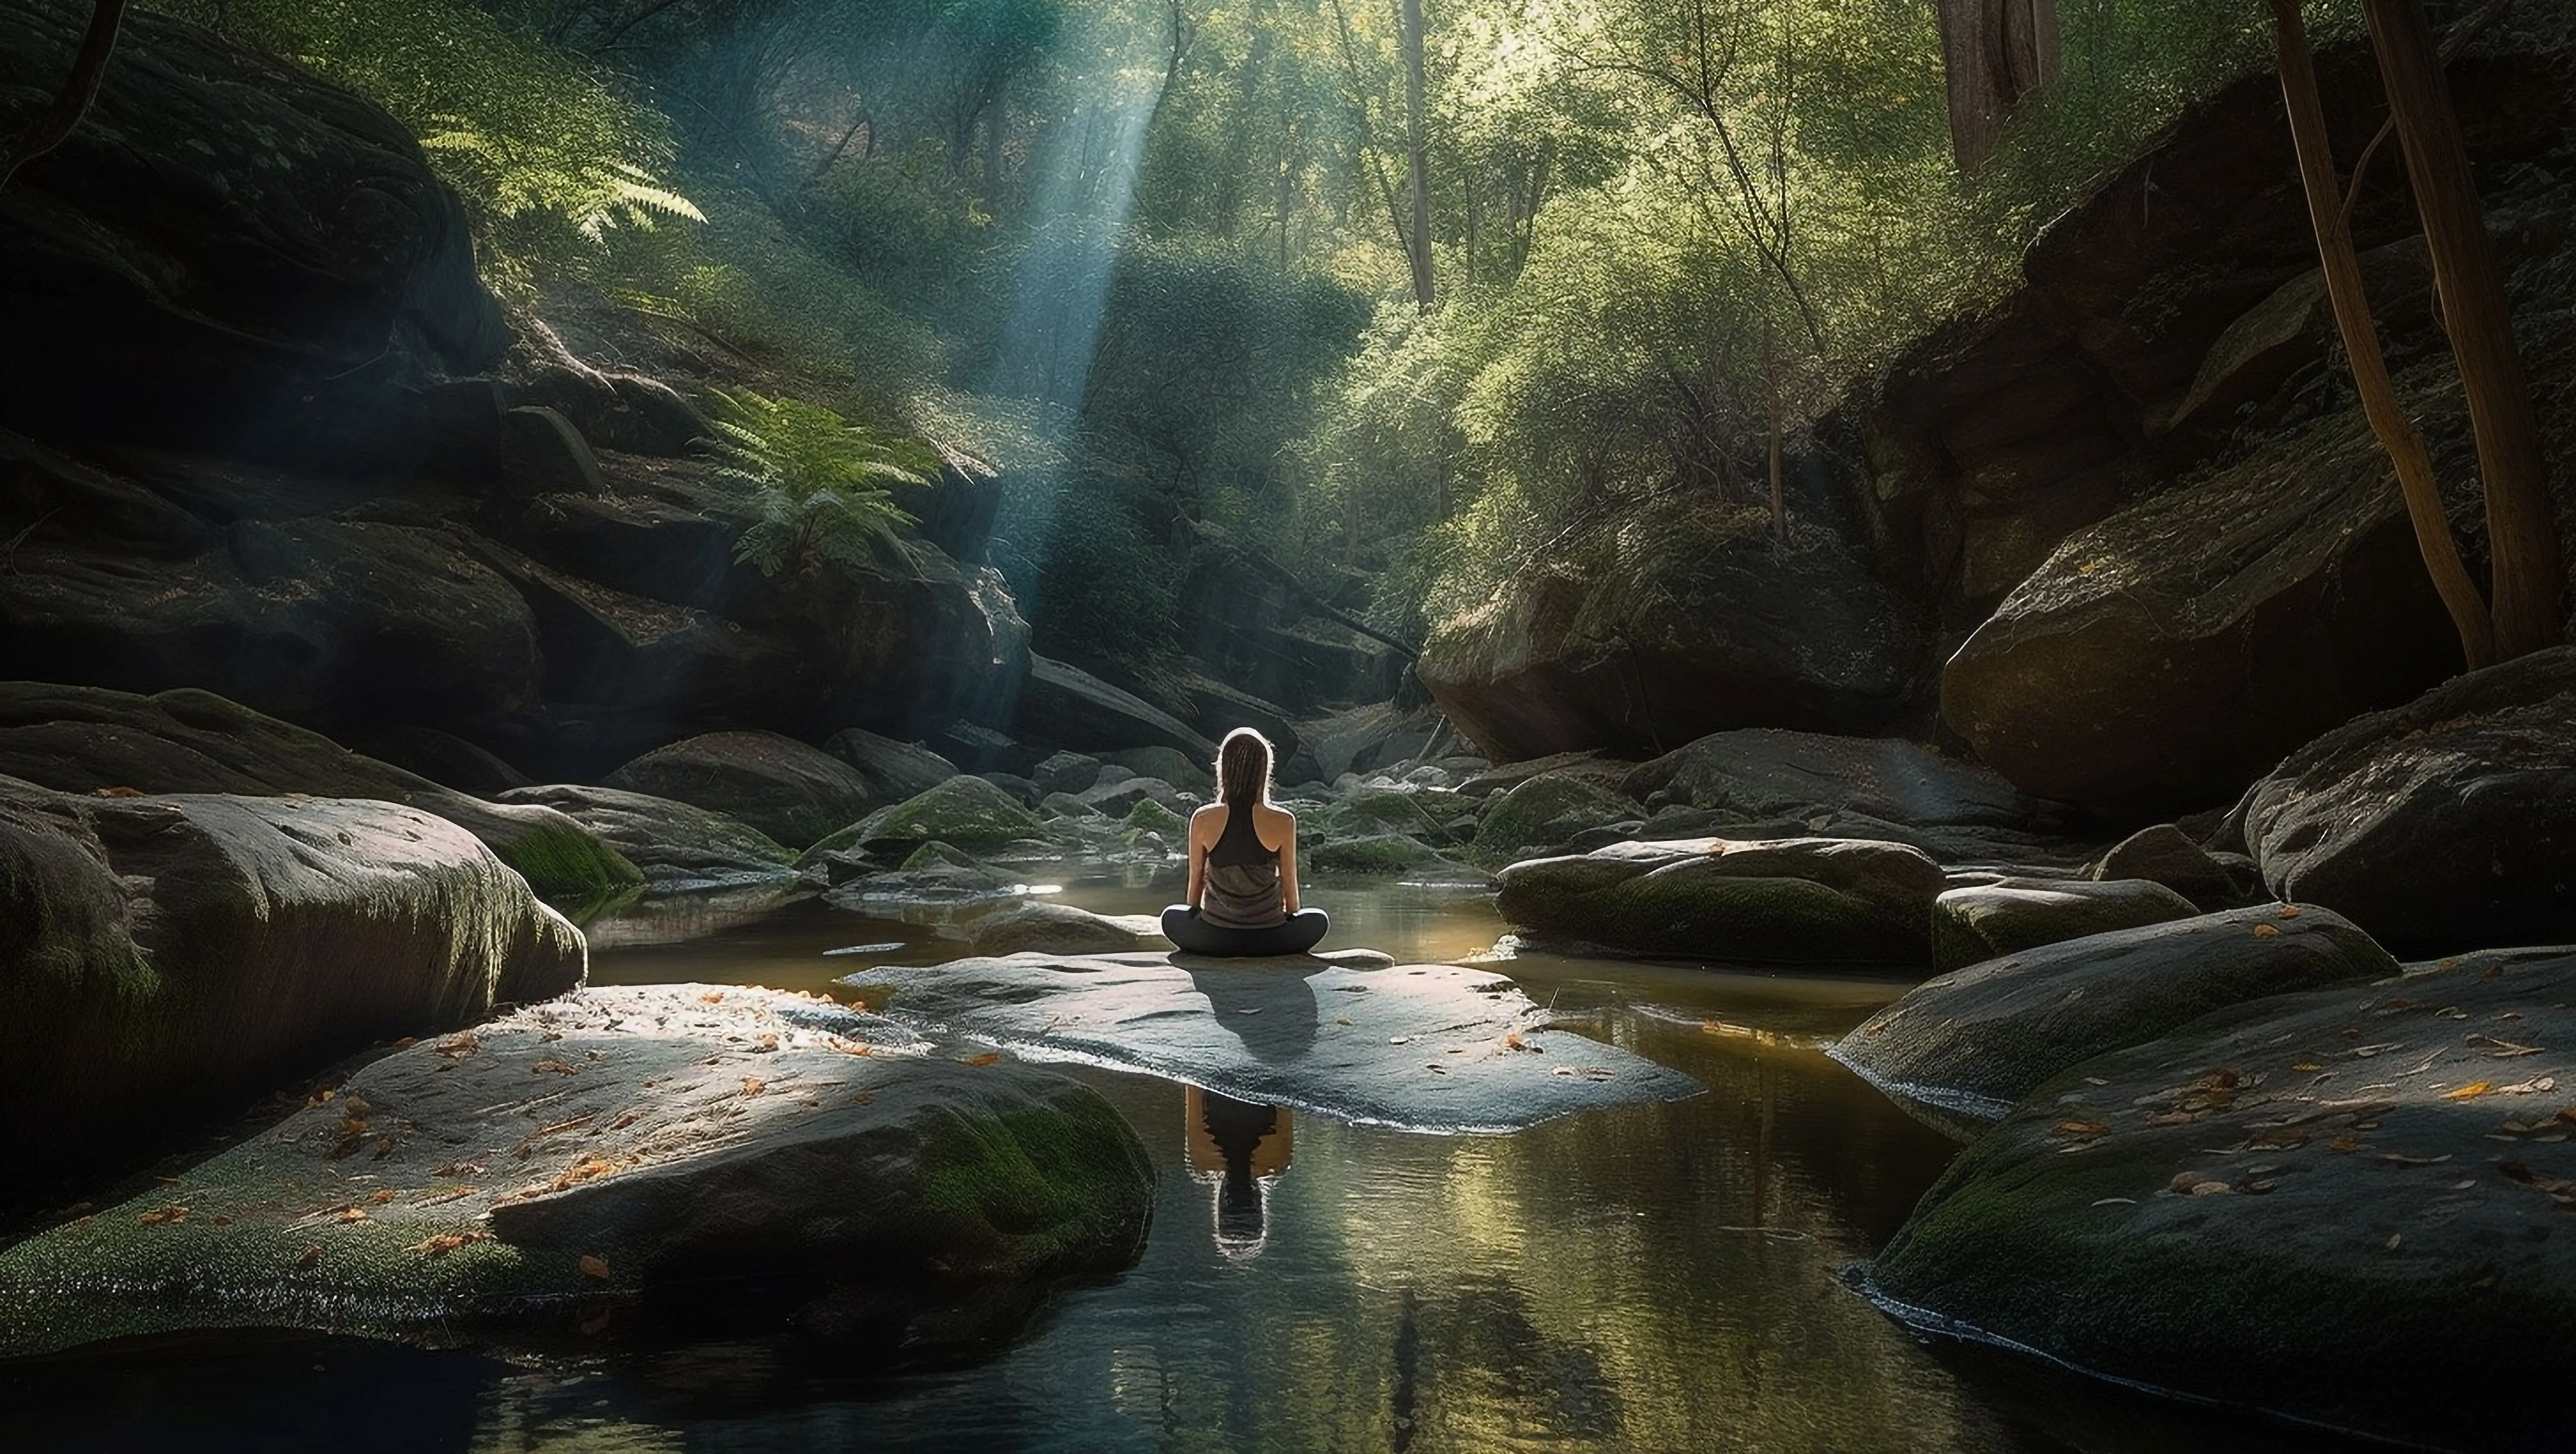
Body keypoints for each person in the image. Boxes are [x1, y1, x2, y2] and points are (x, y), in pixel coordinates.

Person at [1161, 727, 1329, 956]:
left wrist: (1195, 920)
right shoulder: (1283, 821)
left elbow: (1194, 893)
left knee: (1171, 916)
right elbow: (1292, 896)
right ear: (1264, 771)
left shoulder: (1202, 818)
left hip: (1215, 939)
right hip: (1271, 939)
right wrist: (1290, 921)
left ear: (1224, 769)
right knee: (1319, 920)